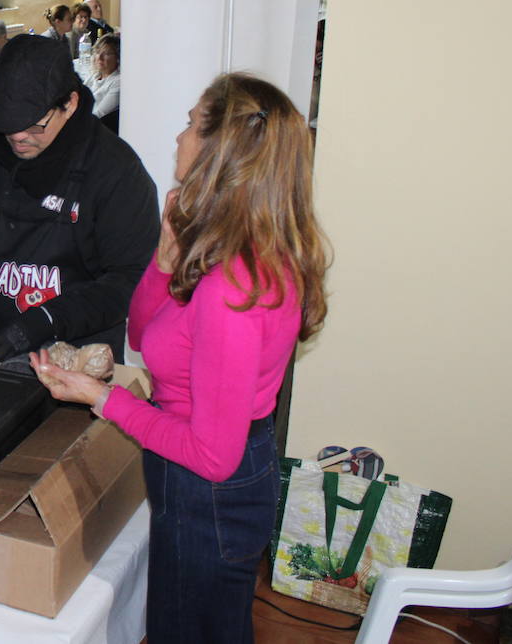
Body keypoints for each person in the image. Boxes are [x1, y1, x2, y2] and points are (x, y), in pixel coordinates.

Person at [30, 73, 330, 644]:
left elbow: (212, 455)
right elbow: (145, 333)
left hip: (210, 486)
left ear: (222, 153)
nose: (178, 137)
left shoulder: (232, 287)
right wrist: (167, 257)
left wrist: (99, 397)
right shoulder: (229, 247)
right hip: (202, 470)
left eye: (192, 125)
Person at [0, 34, 159, 368]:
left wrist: (46, 319)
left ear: (70, 104)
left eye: (34, 126)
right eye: (6, 126)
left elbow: (132, 276)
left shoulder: (114, 169)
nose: (18, 138)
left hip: (73, 350)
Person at [83, 34, 121, 133]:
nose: (99, 57)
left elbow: (100, 113)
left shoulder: (117, 82)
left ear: (117, 58)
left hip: (92, 129)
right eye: (97, 52)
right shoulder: (94, 76)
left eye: (107, 53)